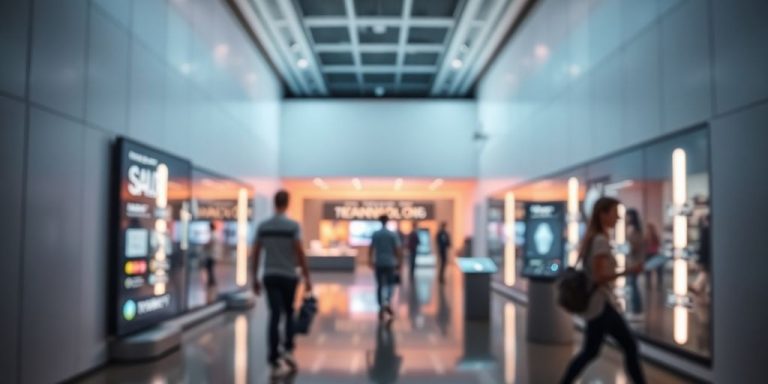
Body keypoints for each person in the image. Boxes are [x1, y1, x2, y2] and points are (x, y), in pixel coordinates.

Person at [561, 197, 646, 384]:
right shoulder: (600, 240)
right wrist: (629, 270)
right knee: (627, 346)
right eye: (615, 214)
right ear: (603, 214)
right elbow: (599, 277)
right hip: (601, 305)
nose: (618, 219)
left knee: (593, 351)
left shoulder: (595, 238)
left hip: (600, 305)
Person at [251, 190, 312, 379]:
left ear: (274, 203)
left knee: (274, 315)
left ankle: (273, 358)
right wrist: (307, 276)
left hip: (270, 275)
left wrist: (254, 277)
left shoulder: (264, 226)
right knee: (289, 312)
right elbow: (300, 252)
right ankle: (288, 350)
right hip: (288, 276)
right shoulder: (293, 226)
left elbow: (256, 253)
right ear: (288, 203)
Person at [370, 215, 403, 321]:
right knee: (390, 284)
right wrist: (400, 262)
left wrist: (370, 260)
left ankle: (381, 305)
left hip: (379, 262)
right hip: (390, 263)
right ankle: (387, 302)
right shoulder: (392, 234)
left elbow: (371, 248)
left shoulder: (376, 234)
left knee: (379, 285)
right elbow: (397, 249)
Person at [626, 209, 645, 316]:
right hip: (636, 261)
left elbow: (633, 246)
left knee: (633, 286)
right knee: (633, 285)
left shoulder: (632, 230)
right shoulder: (638, 230)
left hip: (634, 262)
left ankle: (636, 310)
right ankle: (636, 309)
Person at [644, 222, 661, 288]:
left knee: (658, 269)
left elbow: (658, 244)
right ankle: (648, 283)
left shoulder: (655, 236)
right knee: (648, 270)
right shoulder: (646, 237)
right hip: (648, 254)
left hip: (654, 253)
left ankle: (659, 283)